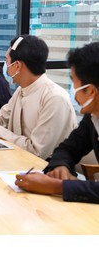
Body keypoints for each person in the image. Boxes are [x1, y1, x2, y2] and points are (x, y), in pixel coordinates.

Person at [0, 35, 77, 160]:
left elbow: (37, 151)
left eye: (7, 61)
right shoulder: (22, 89)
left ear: (17, 65)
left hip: (47, 170)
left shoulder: (54, 98)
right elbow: (2, 118)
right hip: (18, 159)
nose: (5, 66)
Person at [15, 42, 99, 204]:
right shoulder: (93, 117)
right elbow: (67, 148)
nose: (72, 90)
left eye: (74, 82)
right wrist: (60, 166)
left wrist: (57, 186)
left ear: (90, 91)